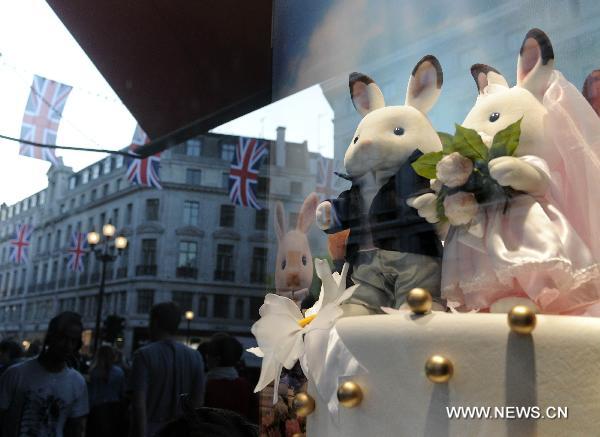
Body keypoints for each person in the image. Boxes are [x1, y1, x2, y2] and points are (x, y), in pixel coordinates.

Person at [0, 311, 88, 437]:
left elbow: (76, 428)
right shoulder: (15, 374)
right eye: (63, 338)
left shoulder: (77, 382)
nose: (68, 346)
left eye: (73, 341)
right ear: (51, 337)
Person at [130, 302, 205, 437]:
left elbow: (139, 404)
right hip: (181, 431)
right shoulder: (195, 356)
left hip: (151, 430)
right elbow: (198, 402)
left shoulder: (143, 355)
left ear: (155, 322)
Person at [203, 333, 254, 420]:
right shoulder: (246, 385)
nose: (206, 358)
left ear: (216, 359)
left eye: (208, 354)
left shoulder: (205, 385)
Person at [86, 345, 126, 437]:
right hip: (114, 409)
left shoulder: (93, 372)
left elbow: (91, 394)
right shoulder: (119, 372)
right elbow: (122, 392)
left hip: (97, 409)